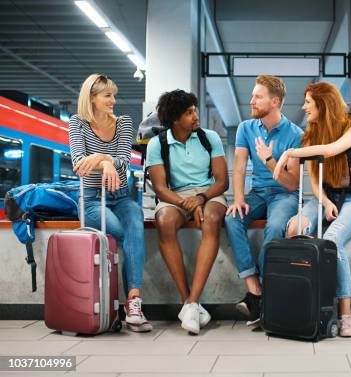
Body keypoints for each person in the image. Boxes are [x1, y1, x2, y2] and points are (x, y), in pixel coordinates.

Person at [274, 82, 351, 337]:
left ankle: (346, 313)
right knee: (295, 227)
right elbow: (315, 183)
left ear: (323, 103)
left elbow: (330, 151)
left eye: (308, 102)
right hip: (328, 197)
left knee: (331, 240)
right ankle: (300, 303)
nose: (304, 107)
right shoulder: (312, 133)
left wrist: (291, 153)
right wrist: (327, 202)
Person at [69, 73, 151, 332]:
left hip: (121, 197)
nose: (113, 100)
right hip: (92, 200)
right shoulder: (77, 124)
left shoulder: (124, 123)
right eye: (108, 96)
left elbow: (125, 161)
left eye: (113, 95)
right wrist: (106, 161)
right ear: (92, 98)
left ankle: (133, 301)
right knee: (123, 233)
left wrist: (102, 158)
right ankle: (124, 304)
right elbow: (79, 164)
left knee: (135, 221)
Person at [146, 89, 229, 335]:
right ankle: (189, 302)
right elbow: (160, 189)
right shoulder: (156, 144)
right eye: (188, 113)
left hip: (208, 193)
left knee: (212, 220)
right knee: (164, 221)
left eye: (194, 110)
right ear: (174, 119)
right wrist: (187, 204)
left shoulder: (209, 137)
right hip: (175, 195)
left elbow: (222, 181)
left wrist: (201, 199)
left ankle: (192, 301)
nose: (196, 116)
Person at [224, 75, 303, 325]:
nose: (252, 101)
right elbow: (238, 167)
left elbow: (292, 183)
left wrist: (269, 160)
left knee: (275, 227)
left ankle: (263, 294)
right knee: (232, 217)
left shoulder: (295, 134)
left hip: (284, 195)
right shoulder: (246, 128)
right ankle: (255, 289)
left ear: (275, 101)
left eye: (258, 97)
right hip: (257, 193)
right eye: (252, 96)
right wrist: (237, 199)